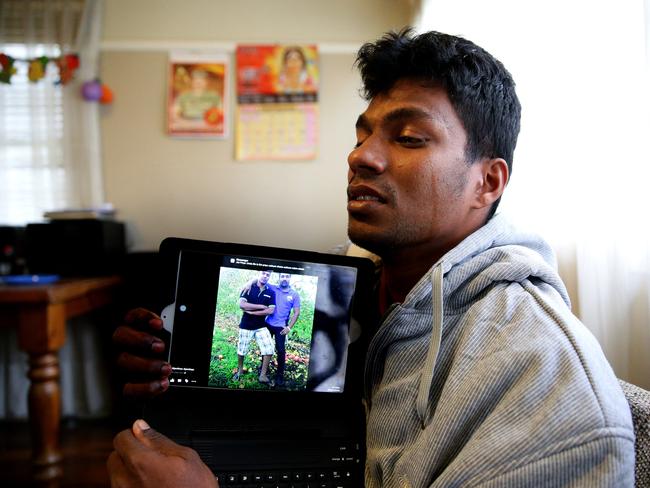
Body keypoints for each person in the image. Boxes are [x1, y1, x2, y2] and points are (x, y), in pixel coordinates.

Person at [109, 28, 635, 487]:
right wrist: (180, 380)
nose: (360, 156)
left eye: (408, 137)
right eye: (363, 133)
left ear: (487, 182)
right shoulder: (352, 282)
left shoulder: (536, 377)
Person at [243, 272, 301, 386]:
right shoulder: (273, 287)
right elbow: (260, 279)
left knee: (280, 350)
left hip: (281, 327)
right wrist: (249, 282)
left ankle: (279, 375)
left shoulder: (294, 294)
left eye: (287, 276)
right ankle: (263, 369)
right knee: (265, 348)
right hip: (268, 324)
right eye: (283, 276)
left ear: (290, 278)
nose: (285, 278)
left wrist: (289, 327)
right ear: (279, 278)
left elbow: (296, 313)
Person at [234, 269, 276, 384]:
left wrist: (253, 312)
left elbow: (271, 310)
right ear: (259, 274)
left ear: (269, 277)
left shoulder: (271, 292)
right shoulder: (249, 287)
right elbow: (242, 304)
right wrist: (261, 306)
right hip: (246, 325)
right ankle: (240, 371)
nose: (265, 276)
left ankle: (262, 376)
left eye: (268, 275)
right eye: (263, 273)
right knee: (242, 350)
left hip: (261, 326)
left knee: (269, 349)